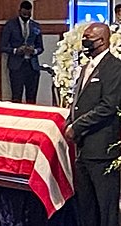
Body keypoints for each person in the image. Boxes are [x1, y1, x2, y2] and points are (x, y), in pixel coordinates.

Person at [64, 22, 121, 226]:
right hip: (83, 150)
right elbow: (78, 102)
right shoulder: (86, 67)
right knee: (86, 208)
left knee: (106, 209)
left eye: (88, 37)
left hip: (102, 150)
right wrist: (68, 121)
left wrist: (76, 126)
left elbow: (108, 105)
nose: (84, 41)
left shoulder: (115, 67)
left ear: (102, 40)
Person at [0, 0, 44, 104]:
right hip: (17, 67)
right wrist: (16, 50)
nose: (26, 16)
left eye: (28, 14)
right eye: (24, 13)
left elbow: (41, 47)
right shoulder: (10, 25)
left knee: (32, 97)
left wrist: (34, 51)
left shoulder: (35, 26)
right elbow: (2, 46)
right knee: (16, 96)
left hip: (32, 67)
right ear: (19, 11)